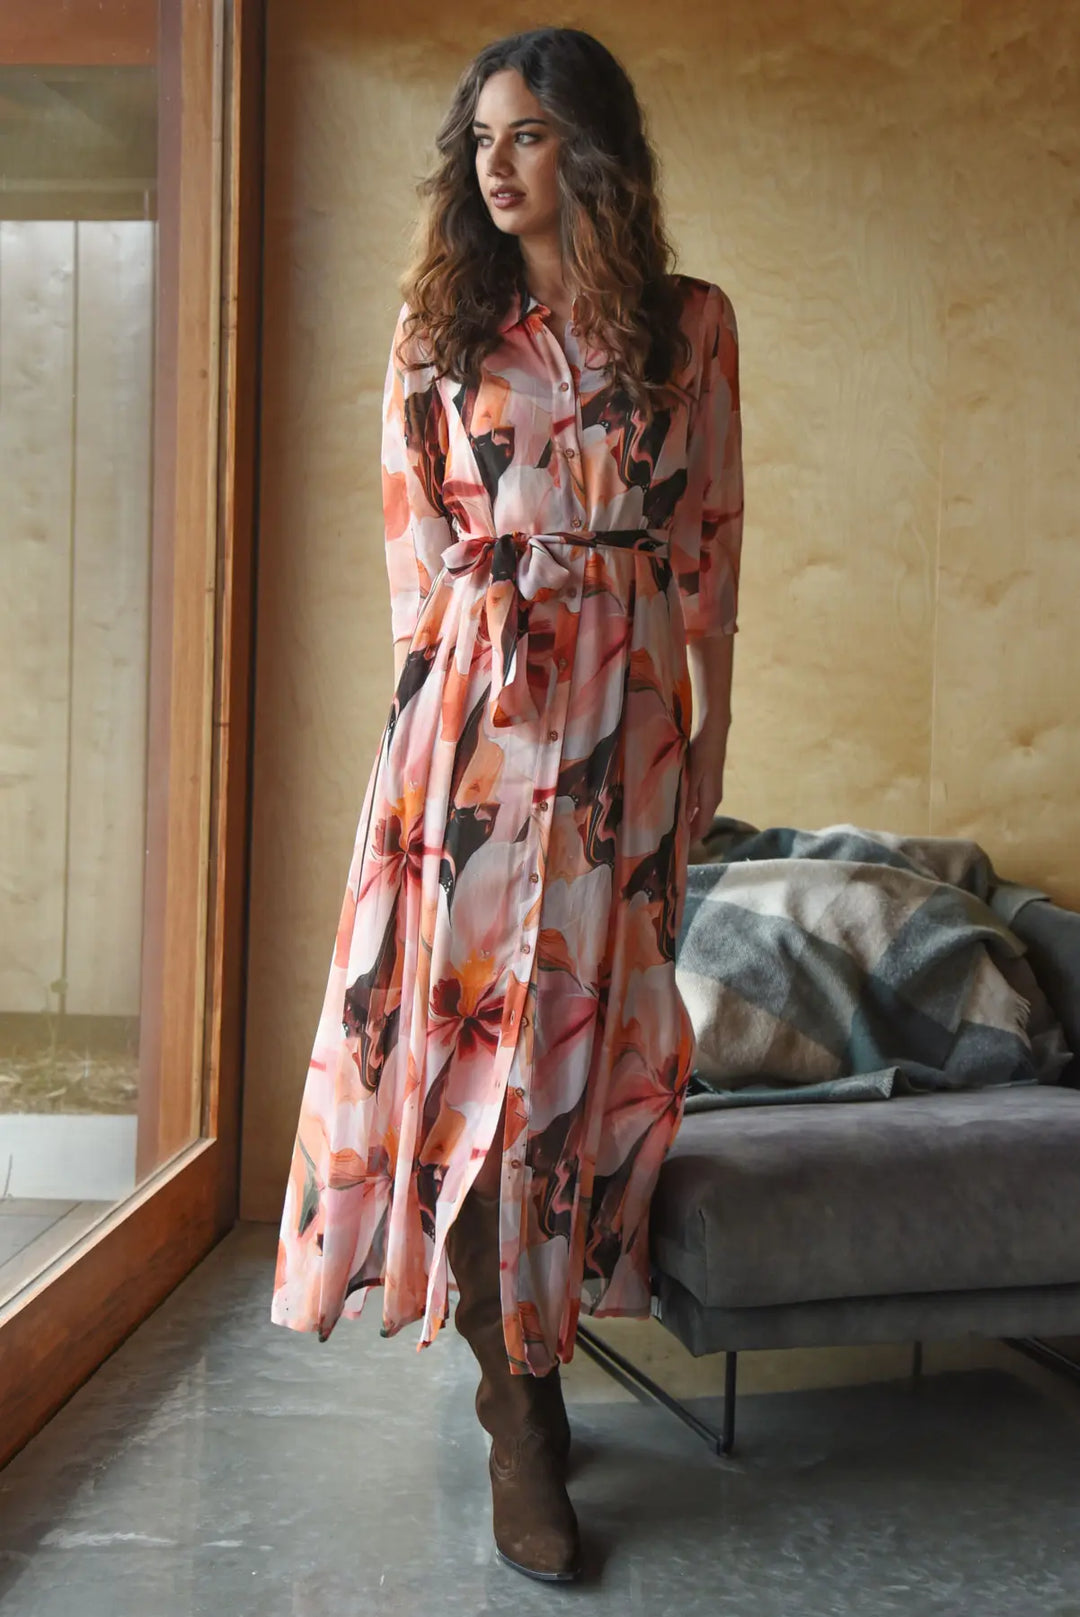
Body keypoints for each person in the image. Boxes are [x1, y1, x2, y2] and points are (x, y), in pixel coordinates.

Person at [270, 25, 743, 1585]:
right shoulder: (437, 332)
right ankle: (519, 1411)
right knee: (475, 1065)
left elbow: (709, 552)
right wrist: (443, 721)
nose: (496, 162)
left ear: (589, 149)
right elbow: (412, 565)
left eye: (527, 133)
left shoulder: (691, 328)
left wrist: (705, 744)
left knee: (573, 1070)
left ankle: (531, 1353)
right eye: (480, 137)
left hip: (624, 732)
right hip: (471, 735)